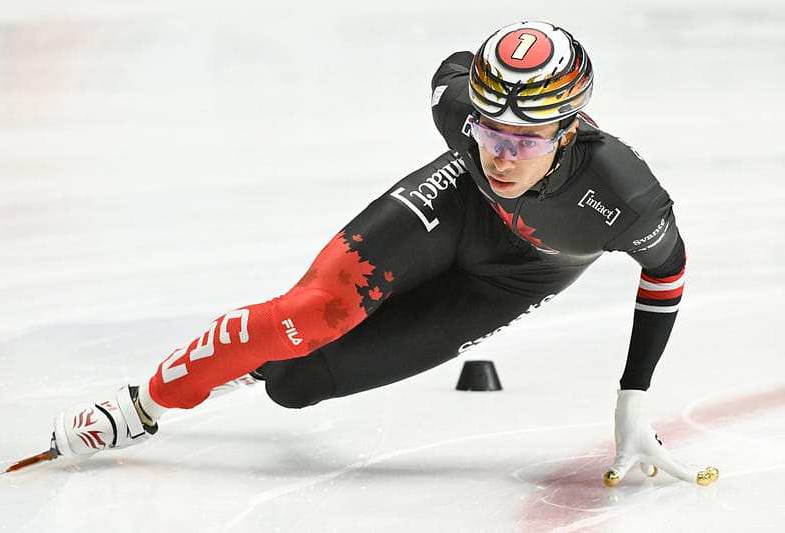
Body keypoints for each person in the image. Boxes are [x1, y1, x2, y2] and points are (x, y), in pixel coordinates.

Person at [44, 21, 718, 487]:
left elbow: (667, 272)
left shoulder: (625, 194)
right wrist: (143, 405)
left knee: (295, 385)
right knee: (312, 313)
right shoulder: (459, 111)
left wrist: (633, 397)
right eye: (490, 134)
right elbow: (453, 70)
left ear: (568, 133)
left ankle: (255, 364)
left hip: (519, 276)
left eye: (528, 142)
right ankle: (140, 407)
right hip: (457, 205)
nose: (503, 158)